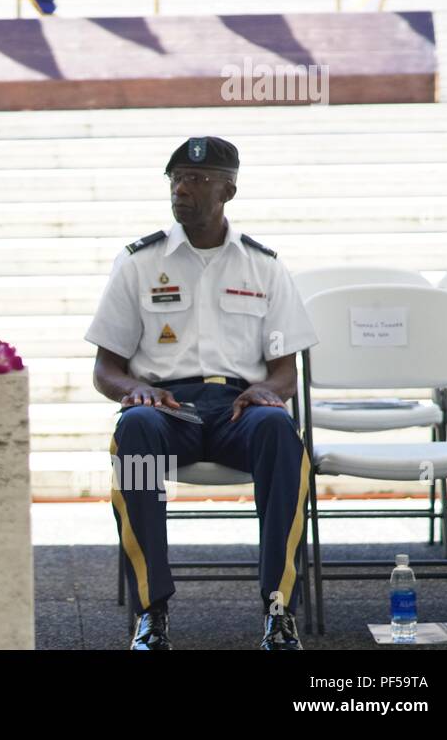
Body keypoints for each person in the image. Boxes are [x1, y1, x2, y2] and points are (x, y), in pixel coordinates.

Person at [85, 137, 318, 651]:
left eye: (197, 180)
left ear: (228, 190)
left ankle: (279, 610)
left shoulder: (265, 266)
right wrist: (136, 390)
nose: (182, 190)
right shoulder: (138, 262)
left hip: (241, 410)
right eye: (176, 180)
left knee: (281, 431)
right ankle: (153, 610)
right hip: (169, 411)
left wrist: (267, 392)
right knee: (134, 431)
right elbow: (106, 369)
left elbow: (285, 372)